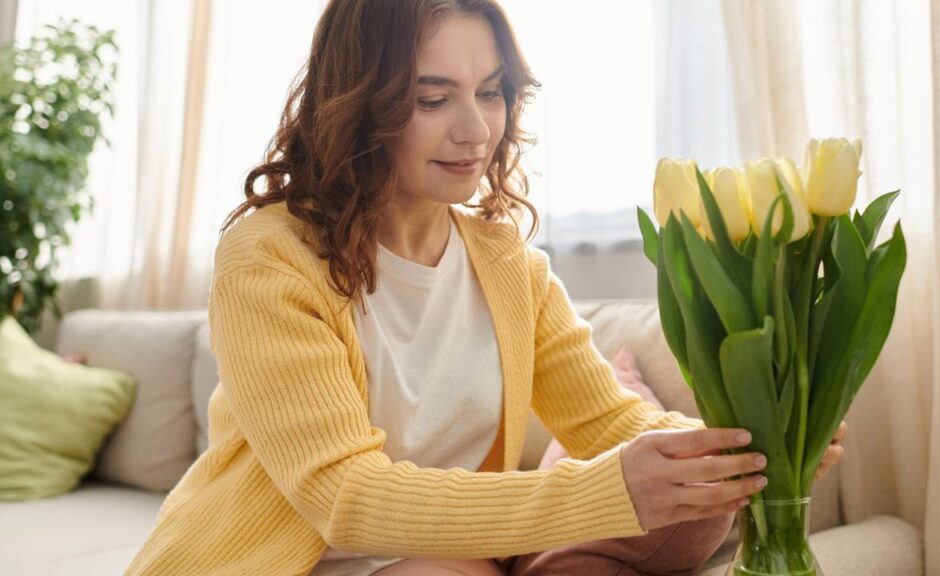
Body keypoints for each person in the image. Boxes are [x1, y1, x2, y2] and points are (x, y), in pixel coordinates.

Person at [126, 1, 846, 575]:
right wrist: (603, 492)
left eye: (492, 93)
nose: (477, 130)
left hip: (442, 556)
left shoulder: (508, 263)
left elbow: (608, 423)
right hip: (282, 561)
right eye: (433, 98)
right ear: (357, 102)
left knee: (696, 507)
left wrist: (758, 440)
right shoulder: (268, 260)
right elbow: (345, 498)